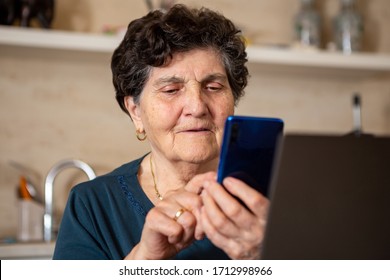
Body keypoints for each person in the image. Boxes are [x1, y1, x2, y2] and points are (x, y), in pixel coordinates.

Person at [53, 4, 269, 260]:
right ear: (136, 111)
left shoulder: (275, 197)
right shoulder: (92, 206)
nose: (197, 107)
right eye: (171, 90)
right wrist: (142, 262)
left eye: (213, 87)